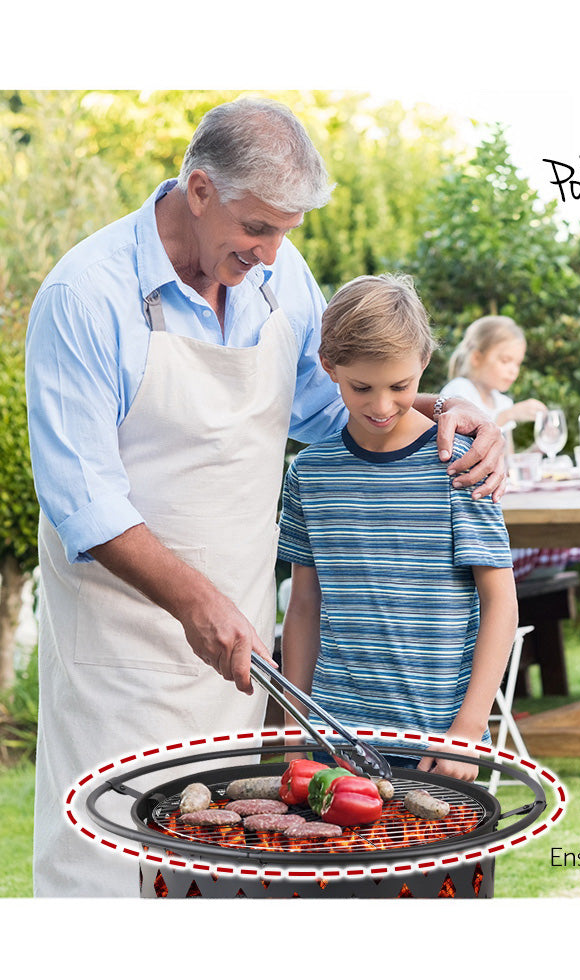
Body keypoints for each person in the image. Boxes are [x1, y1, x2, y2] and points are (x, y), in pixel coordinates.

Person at [24, 98, 504, 897]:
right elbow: (82, 498)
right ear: (199, 190)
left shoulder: (277, 278)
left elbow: (335, 409)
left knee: (229, 874)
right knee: (110, 880)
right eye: (257, 228)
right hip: (122, 656)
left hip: (239, 657)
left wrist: (447, 410)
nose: (272, 252)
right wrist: (197, 603)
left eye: (285, 231)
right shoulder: (86, 295)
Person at [278, 274, 517, 782]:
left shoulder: (462, 465)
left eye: (400, 387)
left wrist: (468, 729)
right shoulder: (309, 474)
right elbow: (303, 606)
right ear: (328, 366)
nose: (382, 406)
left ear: (424, 363)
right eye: (361, 388)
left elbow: (500, 601)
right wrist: (296, 730)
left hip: (439, 743)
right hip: (336, 742)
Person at [440, 315, 547, 425]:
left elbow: (503, 438)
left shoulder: (503, 403)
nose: (514, 371)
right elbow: (463, 434)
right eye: (505, 361)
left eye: (518, 364)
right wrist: (507, 416)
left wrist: (545, 434)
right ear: (476, 358)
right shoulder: (460, 391)